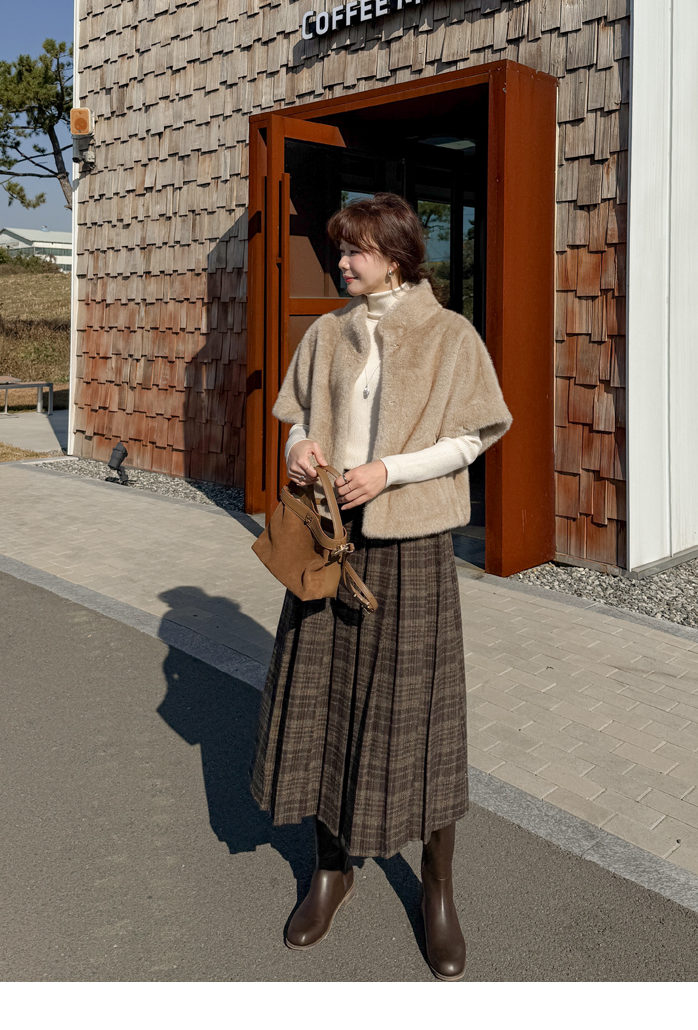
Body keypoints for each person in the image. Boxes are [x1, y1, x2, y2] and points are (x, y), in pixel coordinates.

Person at [250, 192, 512, 980]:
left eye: (354, 250)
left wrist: (388, 471)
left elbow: (472, 436)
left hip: (411, 543)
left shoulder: (450, 334)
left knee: (421, 717)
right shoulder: (328, 332)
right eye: (341, 249)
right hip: (329, 538)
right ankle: (331, 870)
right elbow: (297, 417)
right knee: (324, 703)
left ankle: (437, 890)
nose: (342, 262)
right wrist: (300, 450)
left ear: (395, 255)